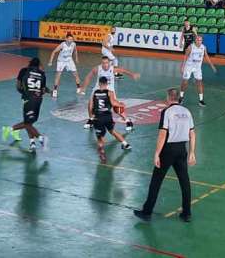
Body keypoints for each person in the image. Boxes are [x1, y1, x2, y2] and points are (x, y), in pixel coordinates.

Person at [134, 88, 196, 222]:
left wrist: (157, 153)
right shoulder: (187, 112)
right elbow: (192, 133)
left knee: (156, 181)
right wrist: (192, 152)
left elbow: (163, 134)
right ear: (178, 98)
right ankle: (187, 213)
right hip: (182, 149)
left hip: (168, 149)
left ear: (168, 98)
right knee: (184, 181)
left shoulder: (167, 112)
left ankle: (147, 212)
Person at [3, 57, 50, 151]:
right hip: (37, 100)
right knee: (28, 122)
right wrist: (50, 92)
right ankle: (37, 141)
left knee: (29, 122)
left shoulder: (24, 71)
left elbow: (18, 86)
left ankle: (10, 129)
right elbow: (43, 90)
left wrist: (26, 93)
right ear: (38, 65)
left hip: (29, 99)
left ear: (30, 63)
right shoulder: (42, 74)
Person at [88, 77, 132, 162]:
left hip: (98, 117)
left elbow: (90, 106)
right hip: (107, 117)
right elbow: (113, 103)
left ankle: (102, 152)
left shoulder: (94, 93)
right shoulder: (109, 92)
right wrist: (121, 104)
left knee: (100, 137)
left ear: (99, 83)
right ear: (107, 84)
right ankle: (126, 144)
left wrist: (91, 117)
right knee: (112, 131)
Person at [179, 35, 216, 107]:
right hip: (189, 66)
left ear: (202, 41)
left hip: (197, 68)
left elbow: (206, 56)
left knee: (199, 82)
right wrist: (182, 66)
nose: (199, 41)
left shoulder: (203, 47)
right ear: (195, 40)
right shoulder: (190, 47)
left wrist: (212, 65)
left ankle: (201, 100)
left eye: (200, 40)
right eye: (198, 40)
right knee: (185, 82)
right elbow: (185, 57)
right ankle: (181, 96)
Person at [47, 34, 83, 98]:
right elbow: (54, 52)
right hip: (61, 61)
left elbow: (75, 50)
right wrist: (50, 61)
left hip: (69, 60)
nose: (70, 40)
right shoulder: (62, 45)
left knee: (76, 74)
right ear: (66, 39)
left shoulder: (73, 44)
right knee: (58, 75)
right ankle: (55, 91)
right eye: (69, 39)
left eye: (72, 39)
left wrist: (76, 58)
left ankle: (79, 89)